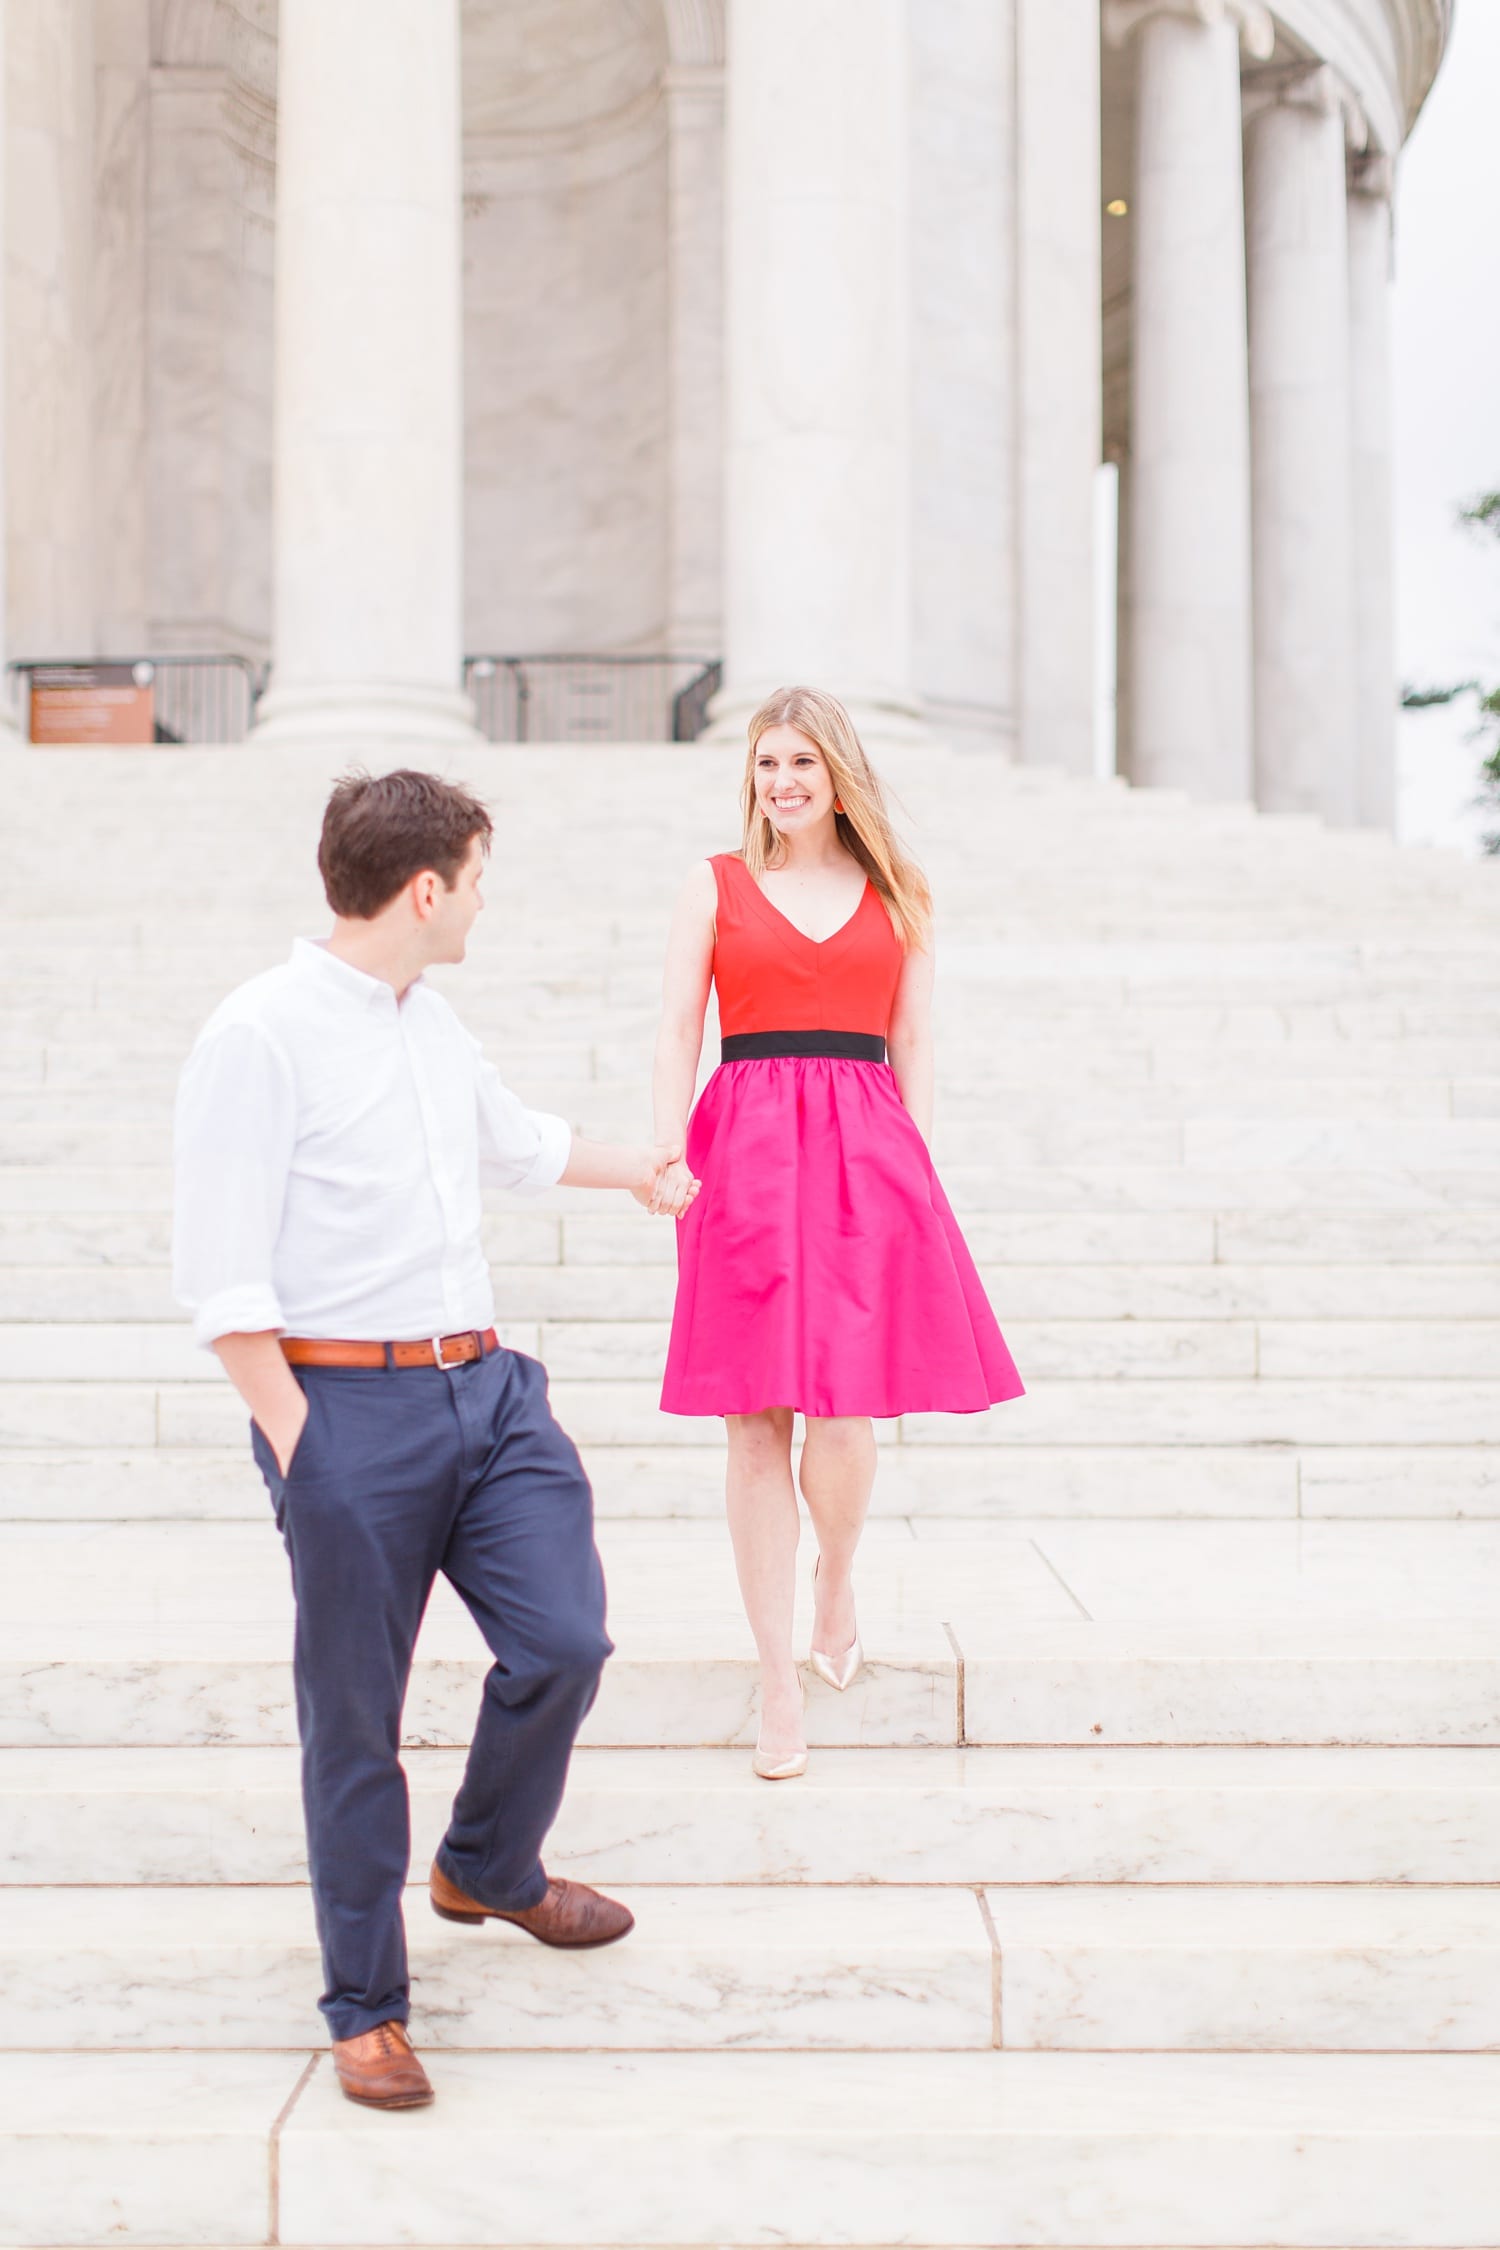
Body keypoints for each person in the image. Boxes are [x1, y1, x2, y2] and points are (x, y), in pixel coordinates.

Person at [173, 768, 696, 2112]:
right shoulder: (259, 1035)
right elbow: (222, 1282)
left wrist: (645, 1163)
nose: (480, 902)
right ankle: (368, 2005)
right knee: (354, 1720)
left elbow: (514, 1146)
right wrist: (304, 1446)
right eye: (475, 878)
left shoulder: (431, 1019)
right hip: (346, 1412)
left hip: (489, 1392)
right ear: (425, 887)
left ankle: (488, 1864)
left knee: (566, 1639)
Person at [650, 686, 1023, 1780]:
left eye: (803, 763)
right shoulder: (713, 885)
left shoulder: (900, 893)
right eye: (767, 764)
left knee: (848, 1414)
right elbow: (679, 1025)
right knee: (754, 1422)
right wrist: (667, 1149)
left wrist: (920, 1165)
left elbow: (916, 1036)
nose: (783, 782)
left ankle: (839, 1574)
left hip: (868, 1150)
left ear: (839, 775)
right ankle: (777, 1681)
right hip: (744, 1149)